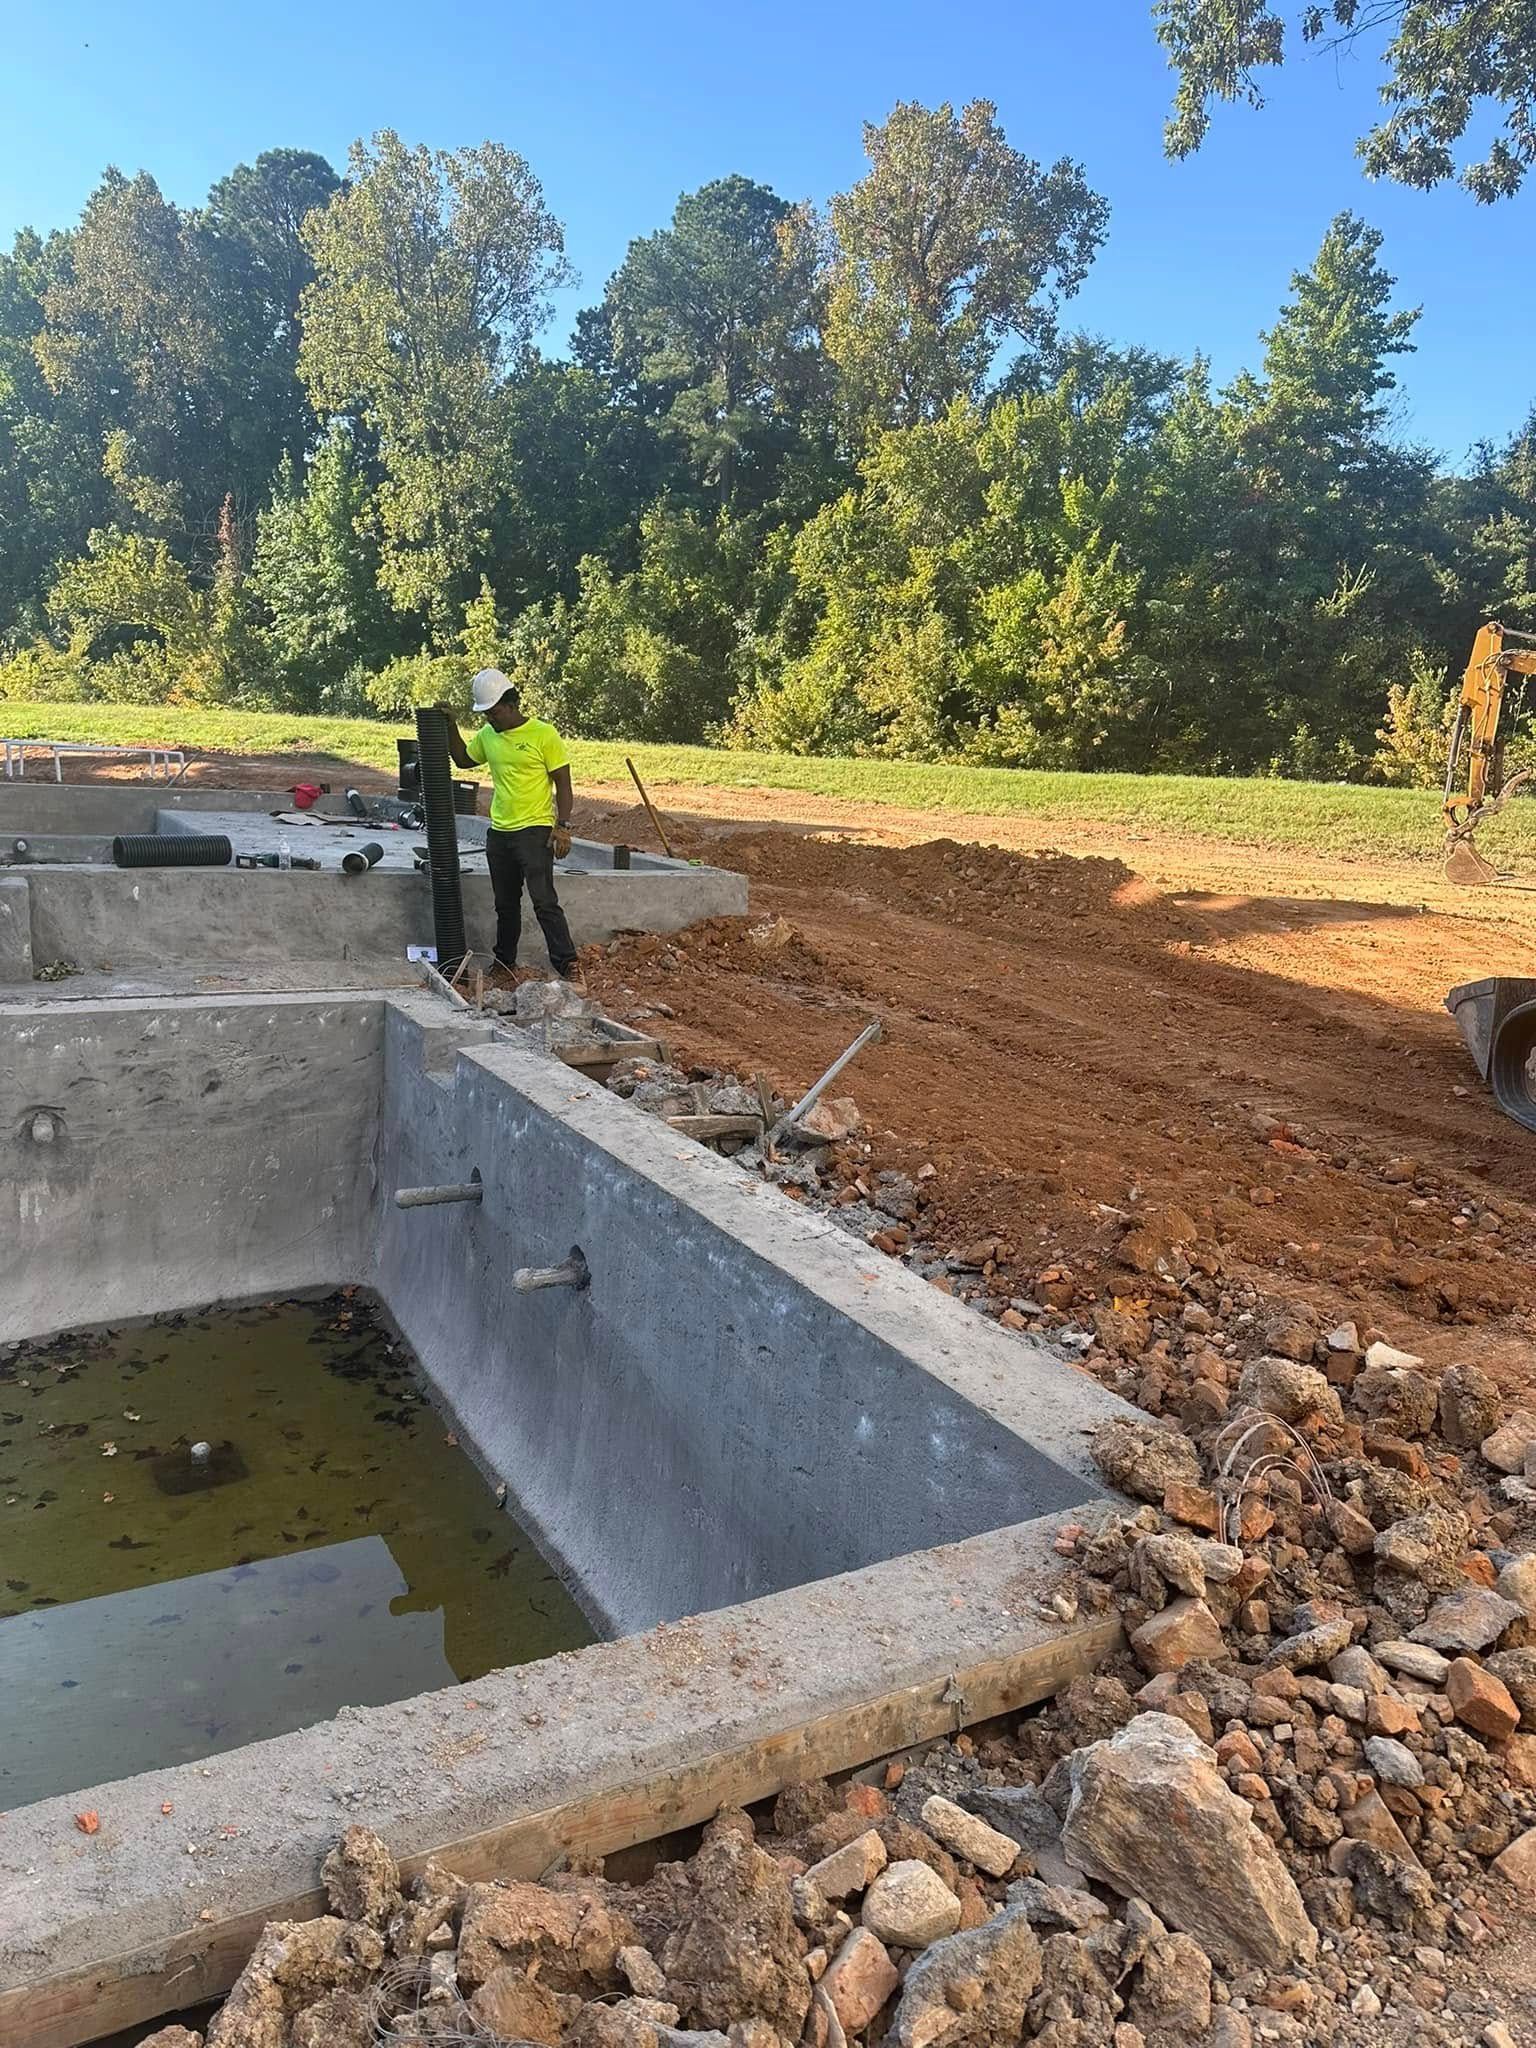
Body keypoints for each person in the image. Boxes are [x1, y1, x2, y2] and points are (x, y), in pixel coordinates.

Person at [436, 670, 580, 984]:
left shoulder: (544, 734)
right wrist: (450, 725)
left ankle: (569, 965)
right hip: (499, 832)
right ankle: (504, 964)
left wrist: (563, 825)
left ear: (512, 704)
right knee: (505, 904)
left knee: (544, 901)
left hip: (534, 831)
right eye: (486, 713)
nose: (491, 719)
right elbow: (462, 759)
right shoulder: (489, 736)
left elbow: (564, 784)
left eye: (495, 712)